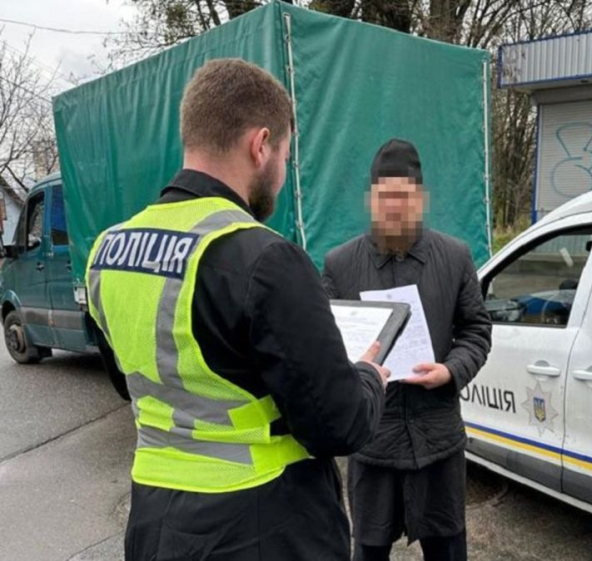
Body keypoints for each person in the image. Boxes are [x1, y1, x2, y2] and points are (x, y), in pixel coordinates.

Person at [86, 58, 390, 561]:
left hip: (154, 522)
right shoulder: (265, 258)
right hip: (263, 523)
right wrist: (369, 378)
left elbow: (130, 382)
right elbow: (338, 425)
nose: (282, 169)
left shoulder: (108, 252)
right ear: (260, 144)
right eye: (285, 156)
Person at [322, 139, 492, 561]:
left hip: (437, 442)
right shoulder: (340, 265)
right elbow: (326, 345)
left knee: (447, 551)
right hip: (373, 444)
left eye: (404, 196)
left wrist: (451, 370)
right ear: (371, 200)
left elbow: (477, 330)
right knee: (369, 551)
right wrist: (353, 371)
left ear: (420, 199)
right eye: (385, 197)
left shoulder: (454, 257)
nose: (394, 207)